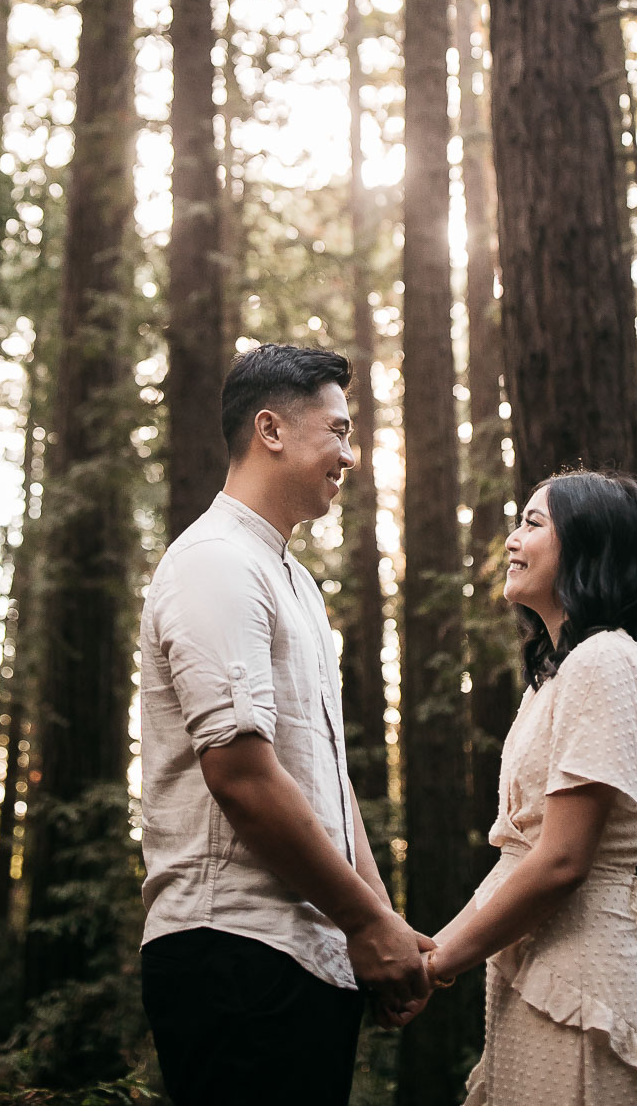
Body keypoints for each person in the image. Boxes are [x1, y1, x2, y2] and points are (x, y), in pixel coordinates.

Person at [139, 343, 433, 1106]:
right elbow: (240, 776)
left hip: (309, 955)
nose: (350, 454)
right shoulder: (215, 562)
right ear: (270, 430)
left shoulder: (293, 580)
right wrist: (367, 924)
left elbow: (326, 782)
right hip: (231, 954)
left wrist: (379, 926)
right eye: (337, 431)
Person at [409, 470, 637, 1104]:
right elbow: (520, 857)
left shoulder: (606, 661)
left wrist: (436, 966)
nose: (512, 539)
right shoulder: (555, 678)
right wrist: (432, 954)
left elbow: (562, 861)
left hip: (582, 993)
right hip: (535, 980)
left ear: (590, 543)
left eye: (534, 523)